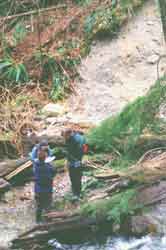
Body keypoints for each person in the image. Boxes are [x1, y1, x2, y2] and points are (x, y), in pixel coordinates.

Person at [62, 129, 86, 200]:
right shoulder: (80, 137)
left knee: (74, 177)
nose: (64, 138)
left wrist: (68, 160)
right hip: (79, 159)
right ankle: (77, 192)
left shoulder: (73, 141)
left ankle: (76, 194)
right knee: (78, 177)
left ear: (69, 134)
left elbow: (71, 152)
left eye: (65, 136)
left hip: (75, 161)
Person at [33, 148, 54, 223]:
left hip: (38, 190)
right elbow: (52, 174)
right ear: (45, 158)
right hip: (47, 190)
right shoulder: (47, 167)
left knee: (39, 206)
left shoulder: (35, 166)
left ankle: (37, 221)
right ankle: (49, 221)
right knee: (48, 206)